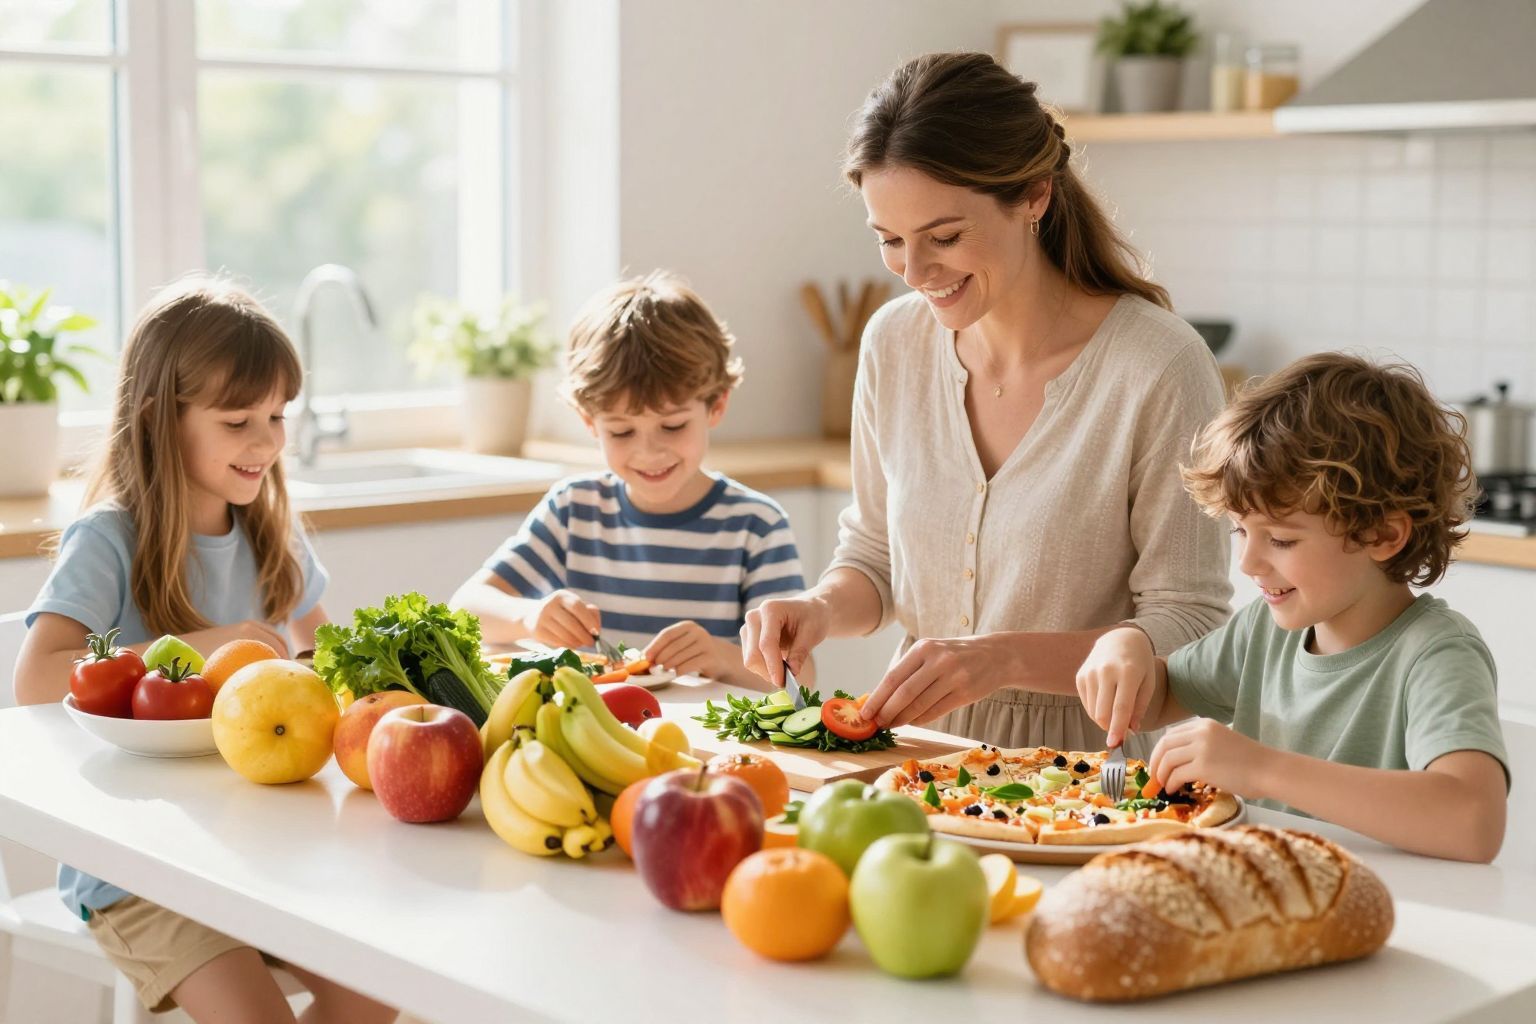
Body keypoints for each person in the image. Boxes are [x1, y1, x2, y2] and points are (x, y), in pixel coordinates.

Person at [742, 51, 1230, 755]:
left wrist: (1002, 658)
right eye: (889, 241)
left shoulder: (1158, 367)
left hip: (1091, 776)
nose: (914, 272)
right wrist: (818, 609)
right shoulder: (893, 344)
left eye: (944, 237)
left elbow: (1191, 626)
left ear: (1034, 196)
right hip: (912, 755)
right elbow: (876, 557)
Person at [12, 277, 396, 1022]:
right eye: (238, 420)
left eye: (278, 415)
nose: (267, 442)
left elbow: (335, 661)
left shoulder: (266, 533)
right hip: (135, 868)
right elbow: (37, 677)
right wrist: (203, 647)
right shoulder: (110, 540)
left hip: (256, 853)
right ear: (161, 420)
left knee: (389, 989)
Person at [1074, 353, 1508, 862]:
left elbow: (1474, 822)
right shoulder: (1267, 628)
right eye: (1240, 530)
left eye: (1280, 539)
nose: (1249, 562)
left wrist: (1260, 769)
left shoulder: (1436, 654)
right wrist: (1125, 644)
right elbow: (1157, 701)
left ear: (1383, 534)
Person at [451, 270, 808, 689]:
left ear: (716, 405)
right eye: (621, 432)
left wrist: (721, 658)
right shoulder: (574, 510)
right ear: (590, 423)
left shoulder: (755, 526)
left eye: (673, 426)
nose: (649, 452)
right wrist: (527, 616)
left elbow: (801, 676)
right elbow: (465, 610)